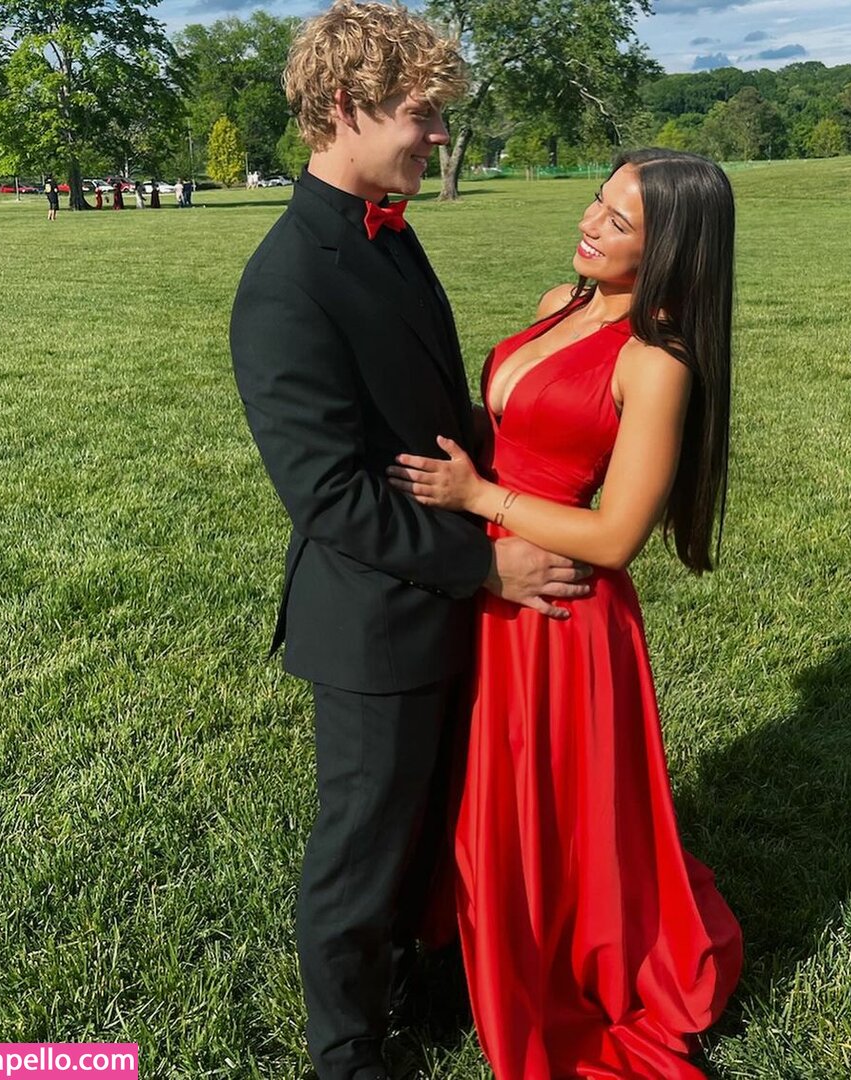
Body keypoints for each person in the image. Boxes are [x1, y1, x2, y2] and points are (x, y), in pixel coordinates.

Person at [228, 4, 589, 1078]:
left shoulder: (388, 226)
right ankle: (347, 1052)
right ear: (346, 106)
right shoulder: (286, 280)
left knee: (430, 823)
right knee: (364, 846)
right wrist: (488, 562)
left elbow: (428, 411)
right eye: (422, 114)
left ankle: (419, 987)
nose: (437, 134)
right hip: (373, 623)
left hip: (439, 601)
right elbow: (328, 496)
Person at [387, 148, 744, 1079]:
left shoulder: (656, 363)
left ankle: (547, 962)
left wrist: (479, 499)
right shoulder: (561, 303)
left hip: (561, 611)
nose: (589, 223)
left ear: (672, 250)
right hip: (492, 583)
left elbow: (616, 534)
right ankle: (463, 937)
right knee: (477, 787)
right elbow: (510, 425)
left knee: (548, 813)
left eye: (619, 222)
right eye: (597, 201)